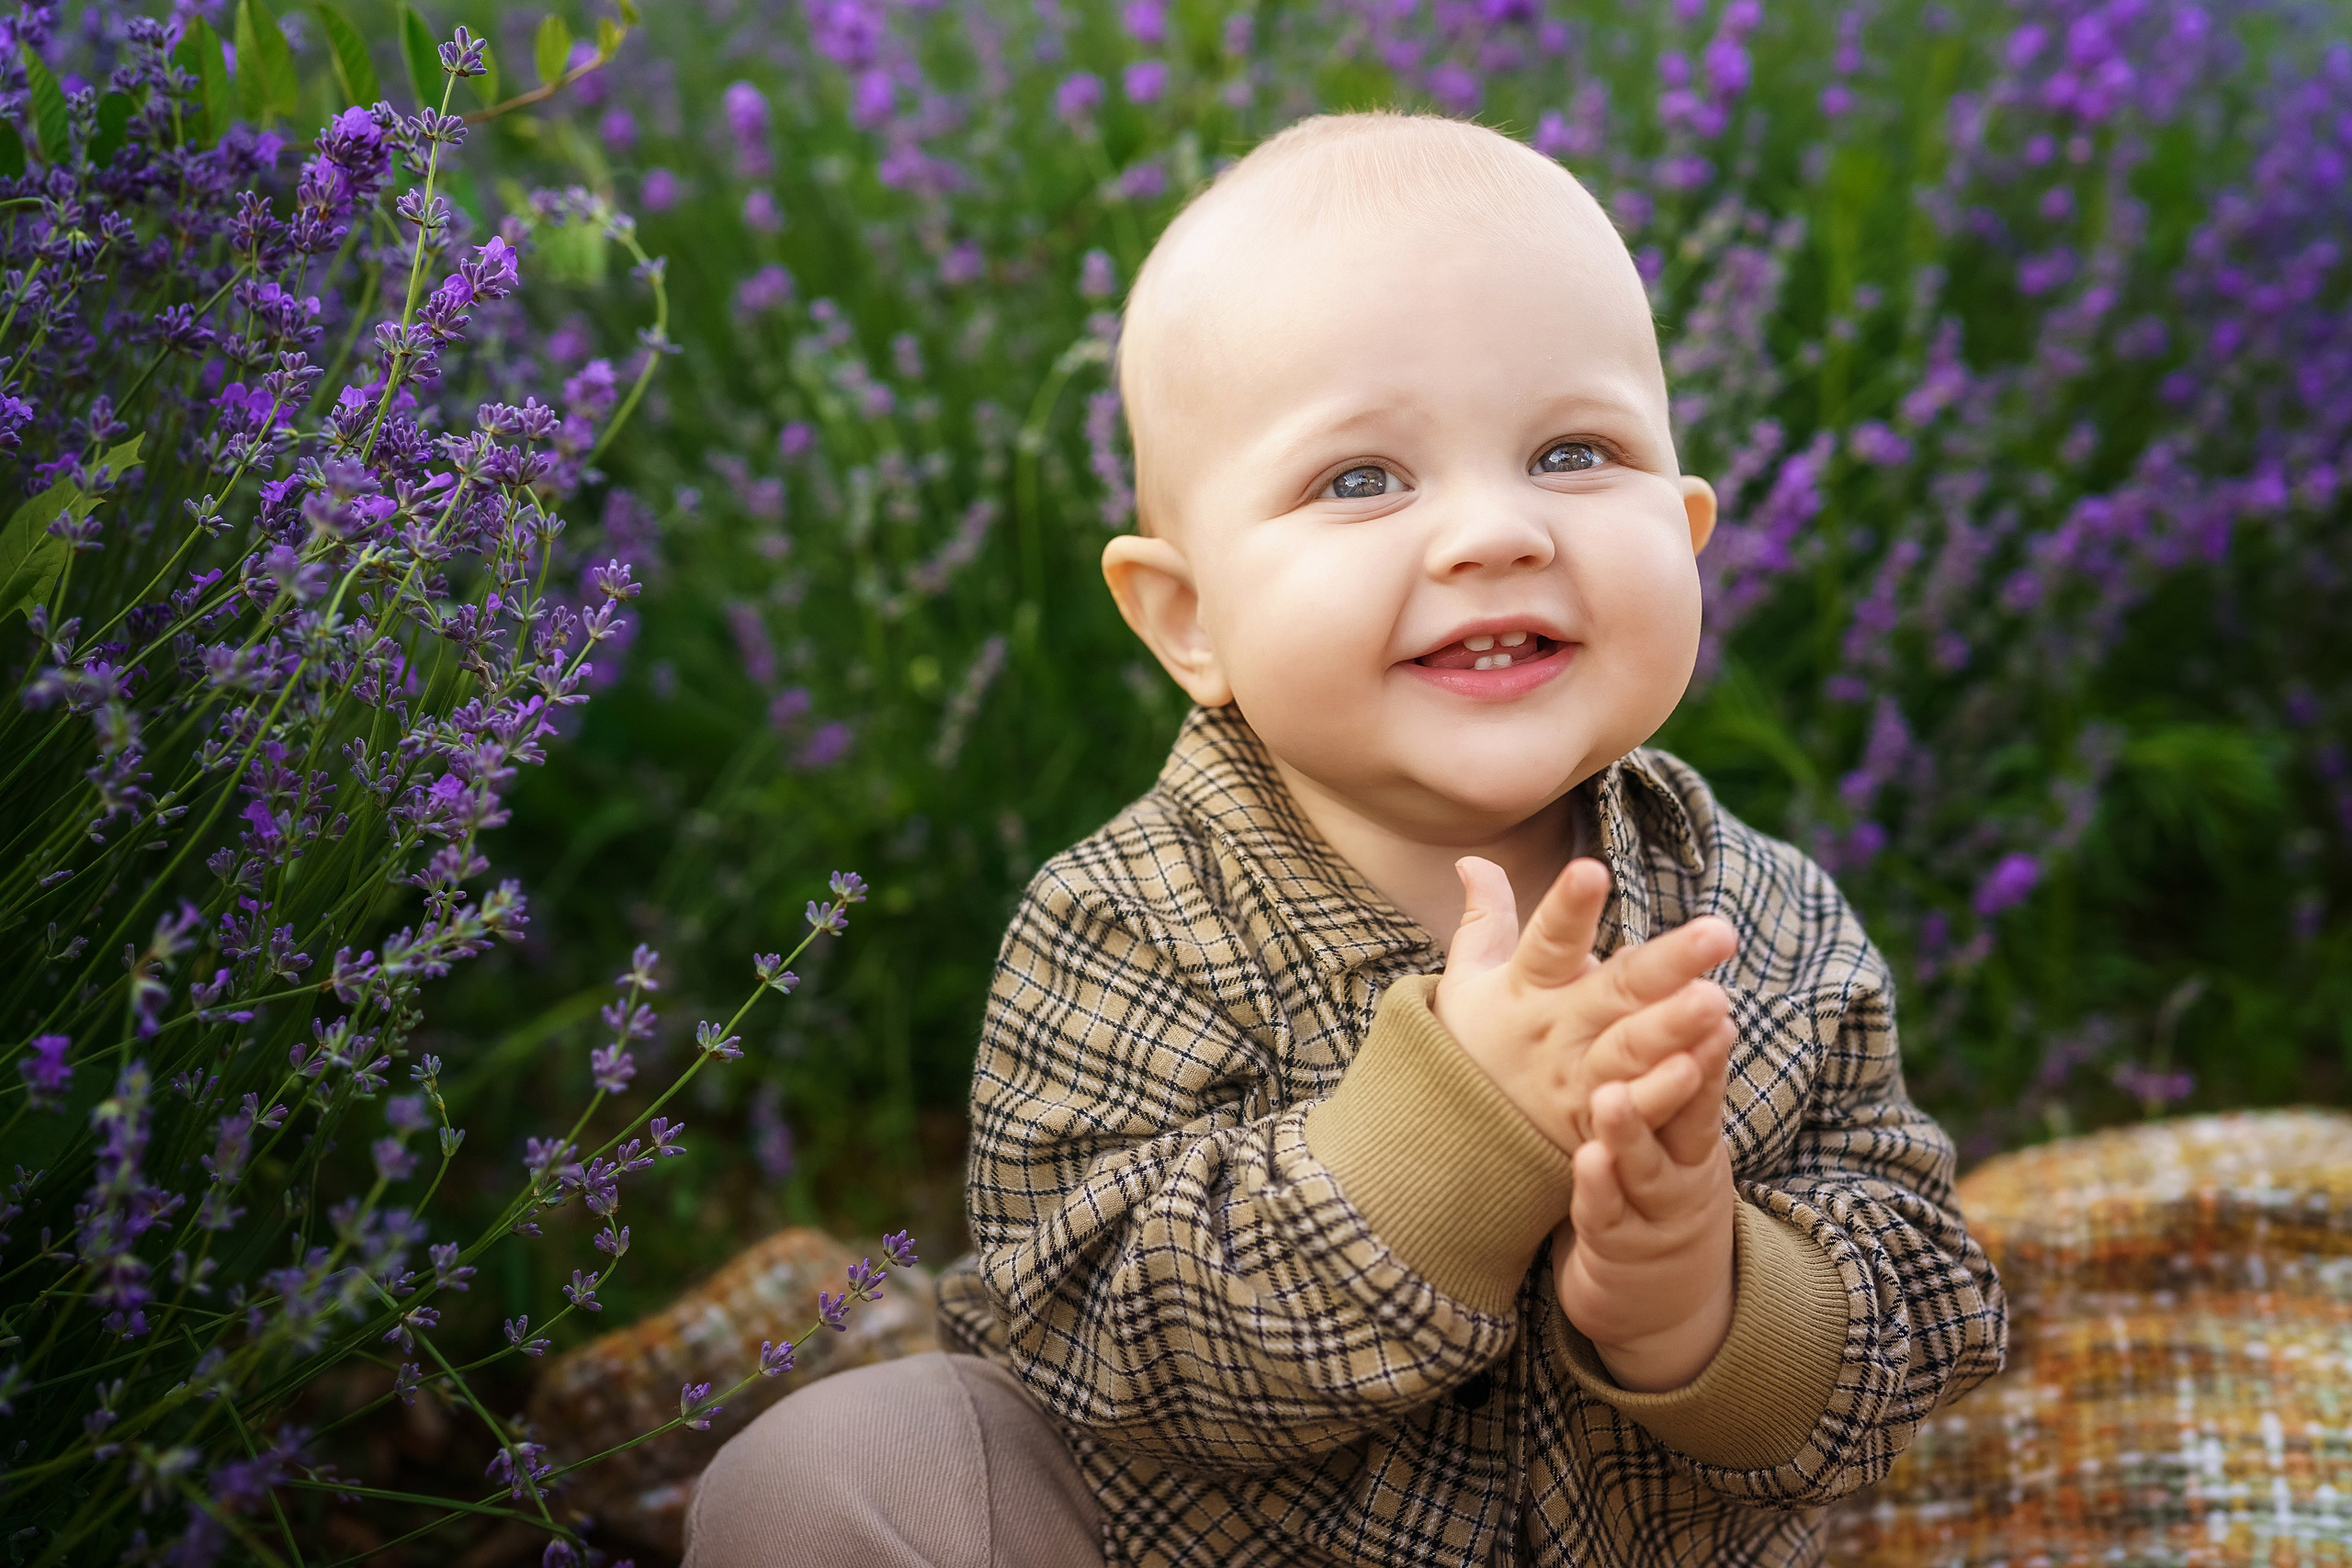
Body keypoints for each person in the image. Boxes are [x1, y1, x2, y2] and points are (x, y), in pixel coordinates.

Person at [685, 110, 2005, 1568]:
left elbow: (1917, 1307)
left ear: (1688, 533)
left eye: (1574, 452)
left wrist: (1701, 1294)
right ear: (1189, 619)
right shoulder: (1127, 919)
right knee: (833, 1470)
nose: (1493, 534)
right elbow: (1087, 1329)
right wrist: (1445, 1147)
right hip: (1171, 1541)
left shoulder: (1757, 926)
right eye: (1362, 480)